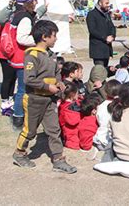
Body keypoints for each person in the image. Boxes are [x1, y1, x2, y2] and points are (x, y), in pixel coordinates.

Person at [13, 20, 77, 173]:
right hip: (34, 99)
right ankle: (19, 154)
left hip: (50, 100)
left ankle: (58, 160)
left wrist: (60, 84)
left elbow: (56, 75)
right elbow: (29, 79)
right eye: (54, 36)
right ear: (44, 37)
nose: (55, 39)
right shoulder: (32, 55)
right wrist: (48, 86)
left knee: (54, 130)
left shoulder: (52, 56)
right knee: (30, 131)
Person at [8, 0, 42, 130]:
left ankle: (19, 114)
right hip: (22, 57)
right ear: (32, 1)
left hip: (16, 56)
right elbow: (21, 38)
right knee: (23, 89)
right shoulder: (25, 18)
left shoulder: (18, 13)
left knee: (22, 88)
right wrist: (38, 40)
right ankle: (18, 117)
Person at [86, 0, 116, 67]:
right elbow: (92, 30)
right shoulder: (92, 14)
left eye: (108, 3)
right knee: (99, 72)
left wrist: (112, 36)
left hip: (106, 49)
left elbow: (112, 27)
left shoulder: (107, 14)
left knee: (105, 71)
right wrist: (105, 38)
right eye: (106, 3)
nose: (108, 5)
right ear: (100, 3)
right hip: (97, 49)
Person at [93, 80, 121, 153]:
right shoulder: (122, 107)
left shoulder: (100, 107)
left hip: (100, 140)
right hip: (114, 142)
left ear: (105, 92)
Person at [58, 82, 81, 150]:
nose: (78, 95)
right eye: (77, 93)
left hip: (63, 130)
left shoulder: (61, 104)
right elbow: (74, 120)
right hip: (72, 134)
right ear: (73, 95)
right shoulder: (73, 107)